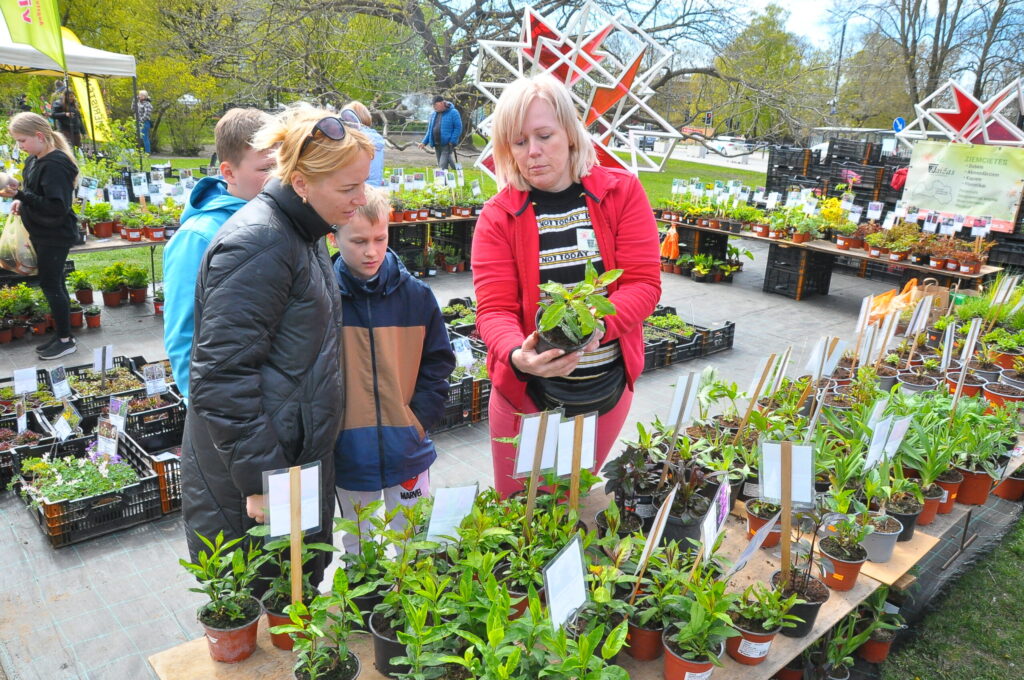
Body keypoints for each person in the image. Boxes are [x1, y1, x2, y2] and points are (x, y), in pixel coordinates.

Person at [180, 107, 374, 589]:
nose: (361, 198)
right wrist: (262, 480)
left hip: (291, 456)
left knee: (294, 590)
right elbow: (221, 377)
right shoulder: (261, 243)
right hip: (258, 473)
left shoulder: (300, 232)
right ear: (303, 182)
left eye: (362, 183)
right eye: (348, 188)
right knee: (263, 597)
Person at [471, 74, 661, 498]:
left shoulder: (621, 193)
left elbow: (643, 284)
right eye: (519, 143)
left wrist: (598, 324)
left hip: (604, 392)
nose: (533, 152)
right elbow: (494, 310)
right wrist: (518, 355)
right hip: (528, 397)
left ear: (571, 135)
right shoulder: (498, 216)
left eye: (544, 135)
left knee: (567, 501)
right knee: (519, 511)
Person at [328, 185, 455, 553]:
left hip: (408, 450)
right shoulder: (322, 299)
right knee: (359, 547)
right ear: (333, 237)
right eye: (358, 241)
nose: (370, 251)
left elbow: (438, 363)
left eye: (380, 238)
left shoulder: (416, 296)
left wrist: (418, 421)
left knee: (414, 544)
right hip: (349, 452)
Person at [163, 108, 274, 403]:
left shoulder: (280, 222)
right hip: (230, 406)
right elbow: (184, 336)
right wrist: (207, 414)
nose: (278, 178)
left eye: (283, 166)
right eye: (265, 169)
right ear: (228, 172)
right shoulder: (197, 238)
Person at [1, 113, 80, 360]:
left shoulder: (55, 164)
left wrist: (21, 197)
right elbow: (35, 193)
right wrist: (20, 201)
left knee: (51, 284)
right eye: (16, 141)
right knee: (54, 283)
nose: (19, 146)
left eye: (22, 140)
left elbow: (57, 207)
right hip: (42, 231)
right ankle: (63, 334)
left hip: (55, 234)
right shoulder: (34, 160)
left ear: (39, 136)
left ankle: (66, 340)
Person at [340, 101, 386, 187]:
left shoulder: (356, 139)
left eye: (346, 118)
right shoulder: (376, 137)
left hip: (358, 189)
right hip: (375, 189)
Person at [418, 95, 462, 171]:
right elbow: (430, 131)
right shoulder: (433, 114)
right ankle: (457, 171)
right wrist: (424, 143)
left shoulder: (453, 112)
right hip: (436, 144)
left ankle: (443, 181)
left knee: (442, 166)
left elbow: (458, 128)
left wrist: (452, 140)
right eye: (433, 105)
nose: (434, 107)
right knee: (442, 162)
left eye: (435, 105)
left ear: (442, 103)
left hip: (447, 144)